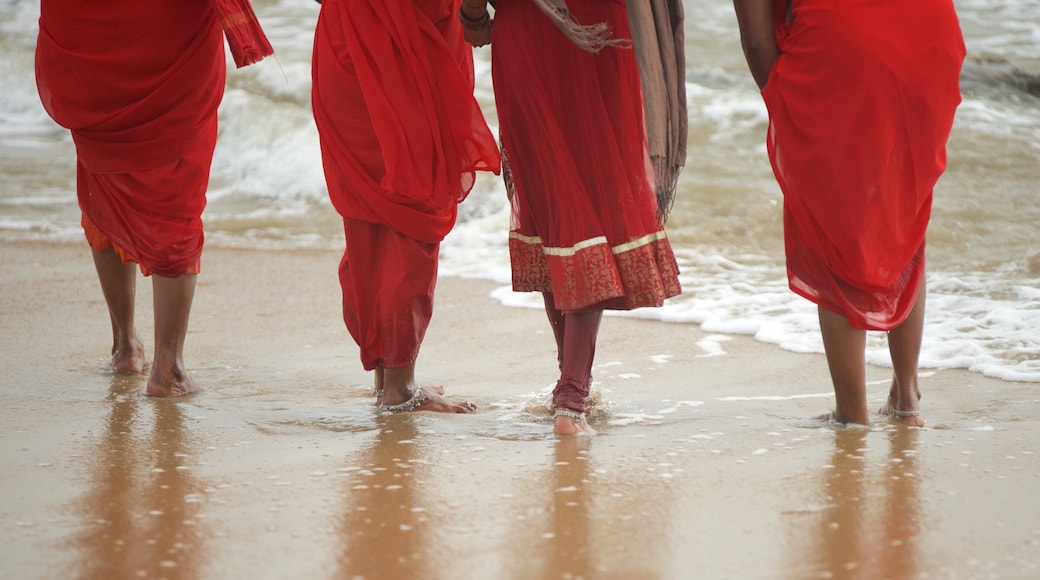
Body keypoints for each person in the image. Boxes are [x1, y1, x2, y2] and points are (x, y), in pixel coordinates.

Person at [732, 0, 965, 426]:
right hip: (931, 37)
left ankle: (851, 413)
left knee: (835, 226)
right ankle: (906, 398)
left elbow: (756, 41)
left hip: (845, 44)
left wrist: (790, 103)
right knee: (902, 213)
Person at [461, 0, 687, 435]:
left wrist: (474, 19)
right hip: (602, 32)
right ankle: (571, 397)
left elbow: (473, 14)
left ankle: (570, 381)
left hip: (527, 34)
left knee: (552, 204)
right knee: (595, 203)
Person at [35, 0, 272, 396]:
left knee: (104, 180)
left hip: (87, 34)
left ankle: (125, 346)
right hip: (166, 33)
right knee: (175, 194)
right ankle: (169, 368)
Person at [311, 0, 501, 413]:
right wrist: (475, 17)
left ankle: (388, 374)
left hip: (345, 41)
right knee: (417, 206)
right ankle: (400, 388)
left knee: (370, 216)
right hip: (409, 45)